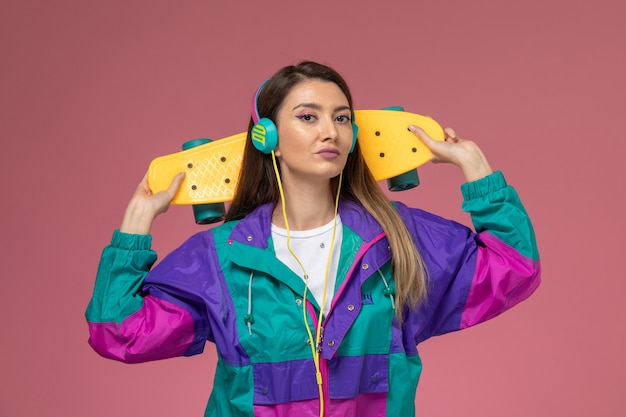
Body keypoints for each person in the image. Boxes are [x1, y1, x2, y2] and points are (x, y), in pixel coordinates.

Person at [86, 61, 541, 417]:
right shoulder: (222, 257)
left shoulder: (398, 238)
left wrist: (476, 167)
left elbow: (514, 268)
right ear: (269, 138)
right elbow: (120, 333)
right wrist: (136, 223)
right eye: (308, 117)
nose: (331, 131)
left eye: (342, 118)